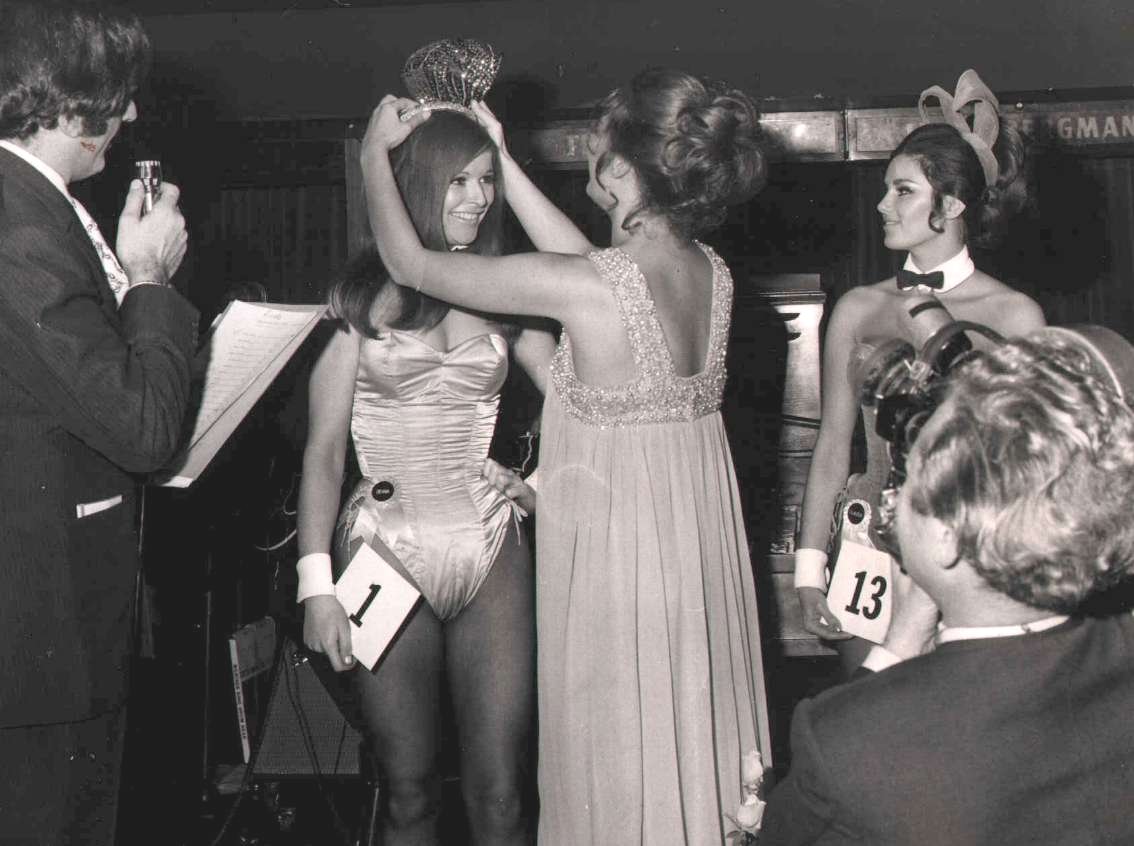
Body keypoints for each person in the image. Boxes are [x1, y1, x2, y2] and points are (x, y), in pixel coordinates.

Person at [361, 66, 773, 844]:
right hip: (687, 567)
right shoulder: (708, 273)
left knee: (615, 759)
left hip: (616, 572)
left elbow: (411, 266)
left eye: (600, 139)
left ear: (619, 166)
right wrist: (501, 157)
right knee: (678, 742)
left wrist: (371, 160)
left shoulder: (593, 286)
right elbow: (590, 267)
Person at [760, 326, 1134, 844]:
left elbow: (785, 830)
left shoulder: (844, 736)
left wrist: (894, 648)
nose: (892, 497)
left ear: (944, 538)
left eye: (907, 477)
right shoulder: (1120, 645)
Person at [297, 104, 554, 844]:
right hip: (382, 548)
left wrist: (543, 486)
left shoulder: (506, 293)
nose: (479, 198)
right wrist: (317, 587)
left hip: (490, 543)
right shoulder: (358, 298)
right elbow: (323, 454)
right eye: (459, 181)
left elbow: (586, 403)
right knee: (408, 791)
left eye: (486, 180)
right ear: (418, 184)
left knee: (502, 793)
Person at [0, 1, 196, 842]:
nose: (133, 112)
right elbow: (142, 428)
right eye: (120, 95)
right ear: (72, 103)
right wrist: (150, 277)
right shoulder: (19, 228)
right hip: (40, 632)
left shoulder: (36, 204)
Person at [793, 69, 1046, 672]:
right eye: (887, 189)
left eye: (902, 191)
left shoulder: (1015, 314)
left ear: (952, 204)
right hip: (870, 549)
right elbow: (832, 445)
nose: (882, 204)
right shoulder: (858, 308)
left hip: (976, 546)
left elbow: (1031, 464)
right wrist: (809, 571)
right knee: (871, 707)